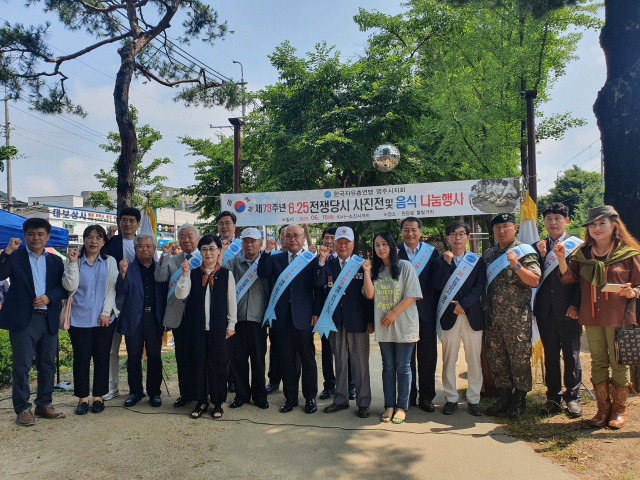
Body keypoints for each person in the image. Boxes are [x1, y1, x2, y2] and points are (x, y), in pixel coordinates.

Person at [559, 206, 640, 429]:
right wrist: (560, 258)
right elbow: (569, 278)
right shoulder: (583, 253)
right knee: (598, 361)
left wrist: (634, 292)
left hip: (620, 317)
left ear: (614, 224)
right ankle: (602, 409)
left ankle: (619, 410)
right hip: (592, 316)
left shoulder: (629, 253)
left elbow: (639, 285)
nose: (596, 228)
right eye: (592, 225)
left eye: (601, 223)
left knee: (619, 362)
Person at [0, 219, 67, 426]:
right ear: (24, 236)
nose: (35, 237)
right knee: (22, 365)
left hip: (48, 319)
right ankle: (22, 408)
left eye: (40, 234)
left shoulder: (55, 261)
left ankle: (43, 404)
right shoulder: (15, 256)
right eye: (31, 234)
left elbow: (64, 288)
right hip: (23, 319)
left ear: (47, 237)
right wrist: (7, 252)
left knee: (47, 365)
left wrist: (49, 297)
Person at [258, 224, 324, 414]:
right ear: (283, 239)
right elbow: (263, 273)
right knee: (287, 361)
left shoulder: (311, 260)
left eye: (296, 236)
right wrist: (266, 252)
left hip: (304, 317)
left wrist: (316, 313)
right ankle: (290, 398)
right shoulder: (276, 258)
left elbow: (318, 287)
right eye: (289, 236)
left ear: (303, 238)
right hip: (282, 318)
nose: (293, 239)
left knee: (308, 359)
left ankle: (310, 397)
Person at [484, 213, 540, 418]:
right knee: (498, 359)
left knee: (519, 360)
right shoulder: (489, 253)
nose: (501, 231)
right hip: (494, 317)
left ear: (515, 228)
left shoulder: (524, 251)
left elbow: (534, 280)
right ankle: (504, 396)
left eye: (505, 226)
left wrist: (516, 265)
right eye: (497, 227)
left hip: (517, 319)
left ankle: (520, 399)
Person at [363, 232, 422, 424]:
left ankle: (402, 406)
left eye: (384, 244)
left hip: (404, 324)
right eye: (377, 245)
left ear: (391, 246)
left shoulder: (405, 266)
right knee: (388, 367)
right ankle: (389, 405)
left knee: (403, 367)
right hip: (384, 326)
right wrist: (366, 272)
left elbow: (412, 294)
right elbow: (370, 295)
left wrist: (394, 313)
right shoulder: (375, 270)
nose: (380, 248)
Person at [175, 235, 237, 418]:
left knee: (218, 364)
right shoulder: (193, 273)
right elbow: (180, 294)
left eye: (212, 249)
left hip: (219, 329)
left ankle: (218, 403)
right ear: (199, 252)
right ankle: (201, 401)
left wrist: (231, 324)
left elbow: (231, 302)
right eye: (204, 249)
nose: (208, 253)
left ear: (219, 251)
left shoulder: (226, 274)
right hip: (197, 329)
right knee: (199, 364)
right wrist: (185, 274)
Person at [316, 227, 374, 418]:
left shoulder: (361, 265)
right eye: (339, 242)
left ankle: (363, 402)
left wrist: (370, 321)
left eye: (346, 242)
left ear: (353, 244)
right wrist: (322, 261)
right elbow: (319, 283)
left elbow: (368, 296)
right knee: (340, 361)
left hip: (358, 322)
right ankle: (340, 399)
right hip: (335, 320)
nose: (342, 246)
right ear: (334, 243)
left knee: (360, 363)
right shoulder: (329, 264)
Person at [533, 202, 583, 418]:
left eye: (558, 219)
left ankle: (573, 398)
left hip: (569, 309)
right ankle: (553, 396)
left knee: (571, 355)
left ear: (566, 221)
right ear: (543, 222)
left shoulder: (578, 247)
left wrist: (576, 305)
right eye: (549, 219)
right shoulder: (537, 247)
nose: (553, 223)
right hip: (545, 310)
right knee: (551, 355)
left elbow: (584, 281)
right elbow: (535, 277)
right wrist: (543, 257)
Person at [62, 225, 118, 415]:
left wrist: (105, 312)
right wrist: (70, 264)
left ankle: (99, 397)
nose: (94, 241)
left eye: (98, 238)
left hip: (103, 319)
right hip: (79, 319)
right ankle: (83, 398)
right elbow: (70, 286)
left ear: (103, 242)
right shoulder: (74, 261)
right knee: (81, 359)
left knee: (102, 357)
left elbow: (112, 289)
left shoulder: (110, 262)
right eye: (90, 237)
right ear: (84, 240)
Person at [433, 221, 486, 416]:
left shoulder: (476, 260)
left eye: (461, 234)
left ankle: (474, 398)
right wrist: (446, 264)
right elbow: (437, 286)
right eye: (453, 234)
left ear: (468, 237)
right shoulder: (440, 261)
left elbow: (480, 285)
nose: (457, 238)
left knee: (474, 359)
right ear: (448, 238)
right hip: (448, 317)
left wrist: (465, 304)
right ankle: (451, 397)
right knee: (449, 359)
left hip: (471, 315)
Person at [397, 216, 448, 412]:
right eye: (406, 230)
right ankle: (407, 396)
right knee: (405, 359)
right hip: (402, 314)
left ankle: (427, 397)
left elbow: (436, 283)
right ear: (401, 232)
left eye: (414, 230)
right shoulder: (395, 253)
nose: (410, 234)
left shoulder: (431, 252)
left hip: (426, 313)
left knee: (427, 357)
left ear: (420, 232)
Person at [116, 234, 168, 408]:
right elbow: (121, 291)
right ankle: (135, 392)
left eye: (148, 246)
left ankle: (155, 393)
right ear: (135, 249)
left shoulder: (161, 268)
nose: (144, 249)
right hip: (133, 319)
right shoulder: (128, 268)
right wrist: (122, 274)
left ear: (154, 249)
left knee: (154, 357)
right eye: (140, 246)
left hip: (154, 318)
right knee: (133, 357)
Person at [223, 228, 270, 410]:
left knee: (258, 360)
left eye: (253, 241)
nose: (249, 244)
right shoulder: (234, 263)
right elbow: (218, 272)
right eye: (246, 241)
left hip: (259, 319)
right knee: (238, 359)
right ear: (241, 243)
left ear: (260, 242)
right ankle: (241, 395)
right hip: (238, 319)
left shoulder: (267, 262)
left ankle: (260, 396)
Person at [154, 223, 199, 408]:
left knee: (200, 356)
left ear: (197, 238)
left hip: (199, 314)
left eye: (190, 236)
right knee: (182, 357)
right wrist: (165, 255)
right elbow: (160, 277)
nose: (186, 240)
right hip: (178, 314)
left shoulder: (205, 257)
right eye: (182, 236)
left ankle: (201, 393)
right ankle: (185, 394)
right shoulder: (173, 260)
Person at [103, 207, 141, 401]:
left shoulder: (143, 243)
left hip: (137, 303)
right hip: (114, 301)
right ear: (119, 223)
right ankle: (112, 385)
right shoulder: (111, 243)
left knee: (138, 348)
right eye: (124, 220)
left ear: (138, 224)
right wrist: (108, 237)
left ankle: (140, 387)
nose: (127, 223)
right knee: (112, 347)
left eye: (131, 220)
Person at [215, 210, 241, 393]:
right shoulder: (211, 244)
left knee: (236, 345)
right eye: (221, 223)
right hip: (216, 300)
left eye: (228, 223)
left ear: (234, 226)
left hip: (239, 297)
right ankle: (220, 378)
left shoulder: (242, 245)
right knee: (220, 342)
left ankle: (234, 379)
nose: (224, 226)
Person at [265, 224, 290, 395]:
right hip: (277, 310)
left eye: (291, 235)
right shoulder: (273, 257)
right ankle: (274, 381)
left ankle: (292, 384)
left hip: (297, 312)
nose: (288, 238)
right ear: (281, 238)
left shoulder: (305, 258)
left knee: (295, 352)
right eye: (284, 235)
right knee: (276, 348)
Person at [318, 226, 337, 400]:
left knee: (346, 352)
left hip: (342, 315)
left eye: (333, 238)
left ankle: (349, 385)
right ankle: (329, 385)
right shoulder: (318, 260)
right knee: (326, 352)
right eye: (326, 238)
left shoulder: (349, 262)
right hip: (324, 313)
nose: (329, 241)